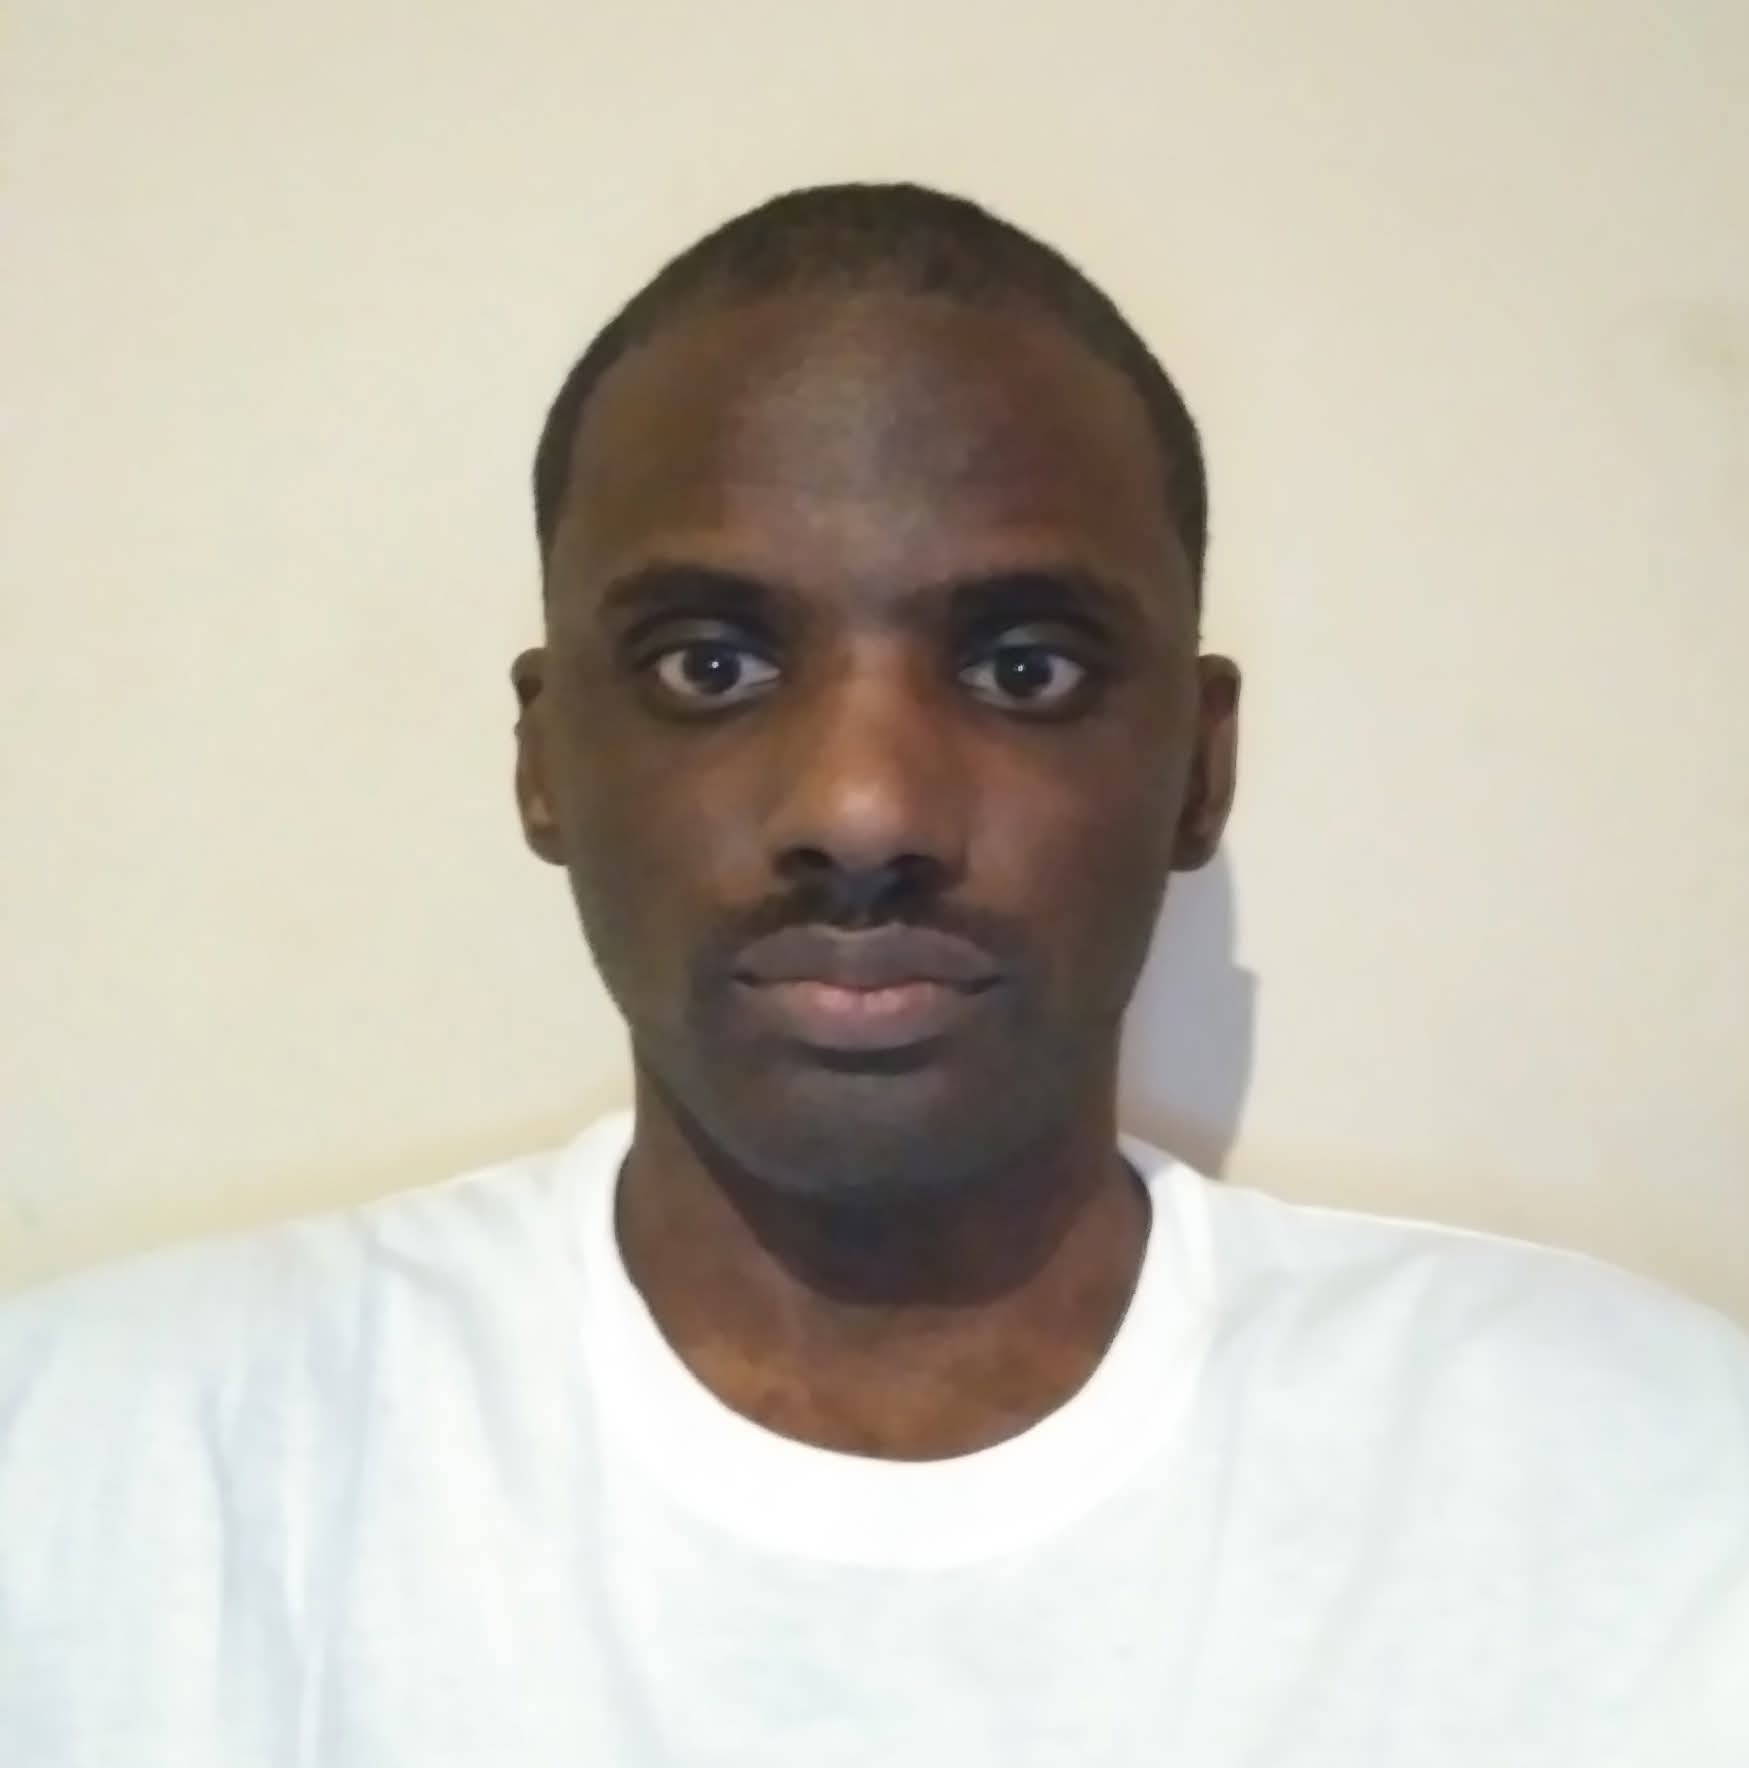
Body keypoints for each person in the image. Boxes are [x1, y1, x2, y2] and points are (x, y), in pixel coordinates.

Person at [2, 182, 1745, 1767]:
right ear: (544, 762)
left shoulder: (1652, 1490)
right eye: (709, 664)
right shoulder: (91, 1473)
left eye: (1022, 668)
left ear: (1198, 769)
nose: (862, 810)